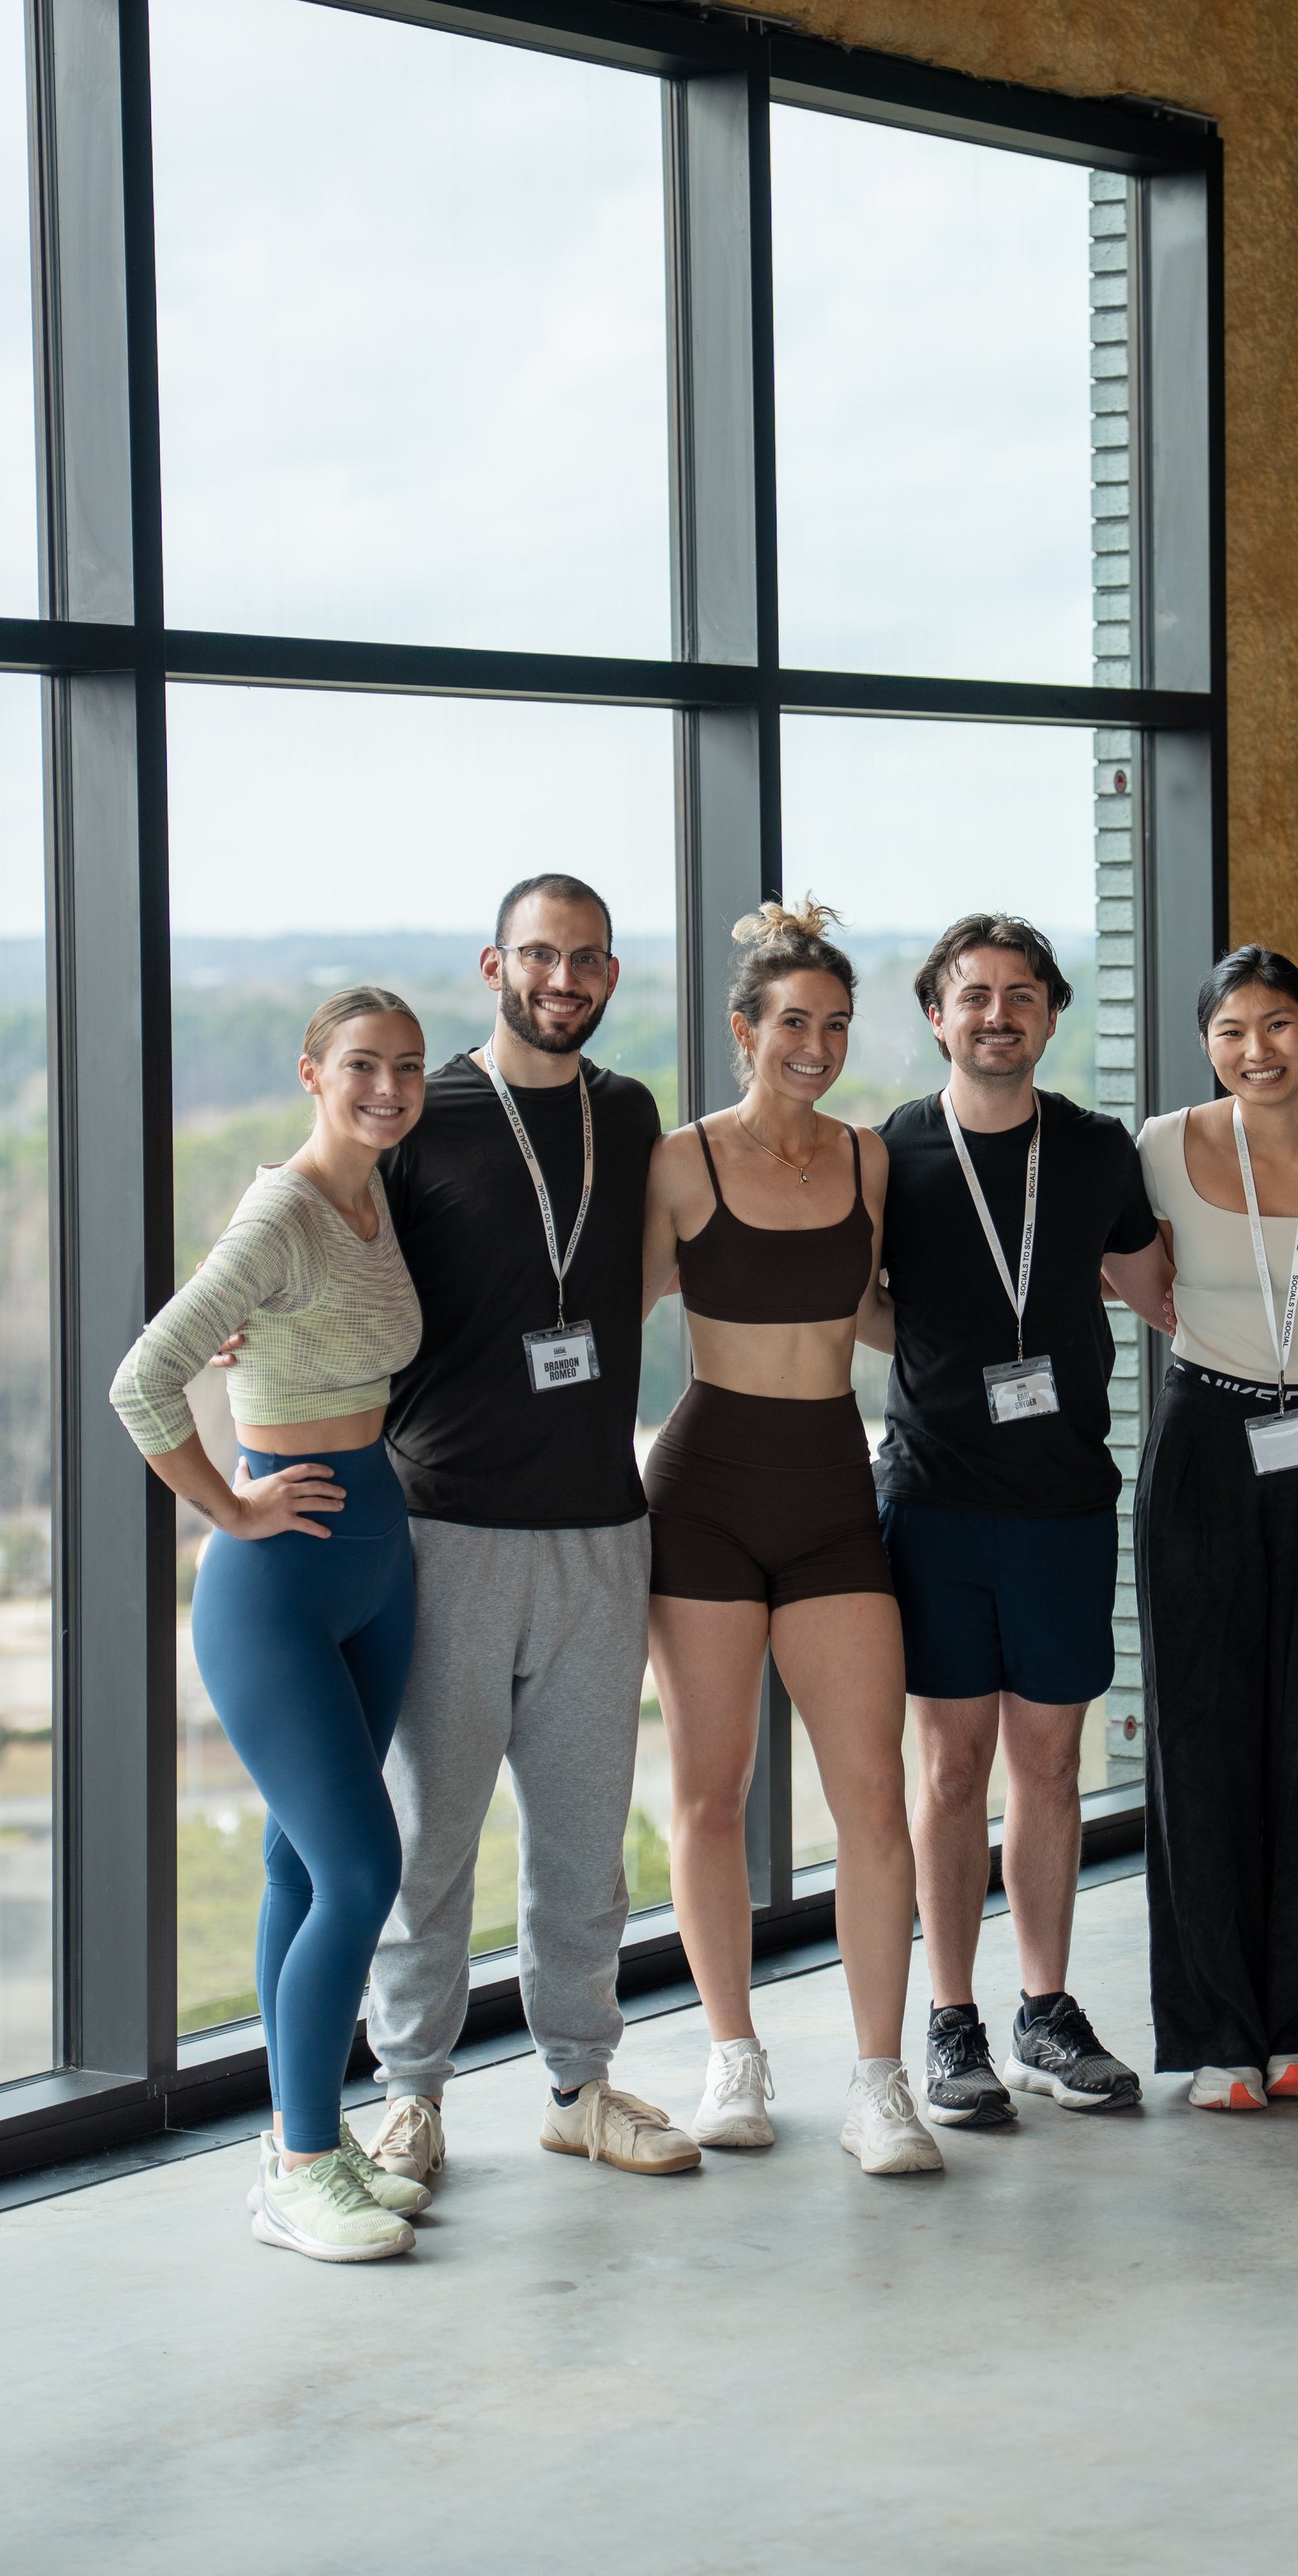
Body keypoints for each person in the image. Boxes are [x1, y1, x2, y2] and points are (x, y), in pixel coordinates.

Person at [361, 874, 699, 2189]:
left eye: (588, 958)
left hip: (602, 1530)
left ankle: (578, 2081)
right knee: (430, 1839)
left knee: (582, 1843)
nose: (564, 977)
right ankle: (409, 2094)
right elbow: (317, 1228)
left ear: (611, 973)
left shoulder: (626, 1110)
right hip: (447, 1529)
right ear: (493, 962)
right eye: (541, 955)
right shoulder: (420, 1114)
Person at [111, 990, 430, 2264]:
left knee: (305, 1867)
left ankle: (310, 2128)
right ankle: (301, 2168)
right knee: (361, 1868)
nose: (389, 1088)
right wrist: (227, 1503)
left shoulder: (377, 1194)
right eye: (362, 1066)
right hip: (279, 1578)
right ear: (312, 1071)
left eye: (406, 1067)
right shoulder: (284, 1208)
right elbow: (145, 1377)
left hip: (377, 1548)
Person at [642, 899, 940, 2179]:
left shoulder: (872, 1160)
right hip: (704, 1487)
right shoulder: (679, 1162)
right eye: (792, 1024)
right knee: (711, 1793)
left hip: (830, 1481)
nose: (814, 1045)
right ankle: (733, 2055)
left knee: (874, 1793)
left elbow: (884, 1317)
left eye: (834, 1024)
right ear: (741, 1030)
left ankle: (881, 2082)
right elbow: (574, 1303)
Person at [863, 913, 1166, 2131]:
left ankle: (1044, 2007)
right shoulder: (891, 1151)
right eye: (973, 994)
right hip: (933, 1502)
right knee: (948, 1769)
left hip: (1063, 1501)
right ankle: (953, 2018)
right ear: (937, 1013)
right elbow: (859, 1306)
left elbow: (1155, 1291)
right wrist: (947, 1352)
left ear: (1052, 1013)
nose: (998, 1013)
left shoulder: (1097, 1150)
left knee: (1049, 1763)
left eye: (1021, 994)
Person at [1122, 946, 1298, 2112]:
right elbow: (1142, 1285)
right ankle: (1215, 2035)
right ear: (1209, 1043)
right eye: (1234, 1029)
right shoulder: (1159, 1147)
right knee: (1199, 1738)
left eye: (1279, 1022)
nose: (1259, 1048)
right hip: (1204, 1438)